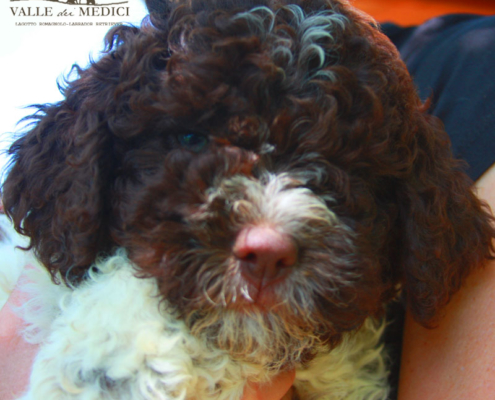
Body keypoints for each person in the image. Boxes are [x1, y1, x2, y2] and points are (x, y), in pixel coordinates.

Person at [1, 13, 495, 400]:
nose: (266, 233)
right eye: (194, 142)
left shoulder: (467, 75)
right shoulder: (156, 61)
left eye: (337, 171)